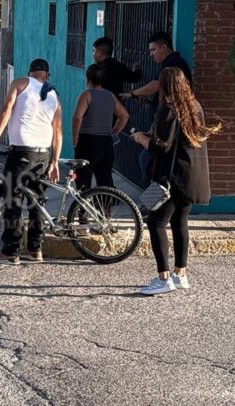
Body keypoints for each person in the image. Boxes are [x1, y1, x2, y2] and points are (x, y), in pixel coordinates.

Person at [130, 67, 221, 295]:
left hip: (171, 178)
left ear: (165, 86)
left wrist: (141, 138)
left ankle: (163, 279)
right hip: (190, 176)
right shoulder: (194, 106)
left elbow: (160, 148)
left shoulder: (169, 110)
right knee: (180, 223)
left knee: (156, 223)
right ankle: (180, 274)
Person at [0, 59, 63, 265]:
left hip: (22, 153)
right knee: (36, 201)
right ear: (47, 74)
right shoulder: (54, 96)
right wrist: (54, 162)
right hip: (44, 155)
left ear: (30, 72)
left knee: (13, 200)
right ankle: (35, 249)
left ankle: (11, 250)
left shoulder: (20, 83)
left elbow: (5, 109)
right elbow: (58, 132)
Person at [122, 32, 193, 184]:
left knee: (148, 158)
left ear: (164, 47)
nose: (151, 54)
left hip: (169, 130)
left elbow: (156, 85)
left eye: (153, 50)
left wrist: (133, 93)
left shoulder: (172, 65)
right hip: (163, 127)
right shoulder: (169, 64)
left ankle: (153, 199)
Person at [72, 63, 130, 191]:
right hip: (105, 142)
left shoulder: (86, 95)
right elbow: (124, 116)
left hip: (87, 142)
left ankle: (82, 210)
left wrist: (75, 137)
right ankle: (105, 209)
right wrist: (113, 132)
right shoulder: (110, 96)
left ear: (88, 79)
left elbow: (77, 117)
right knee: (105, 182)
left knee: (83, 180)